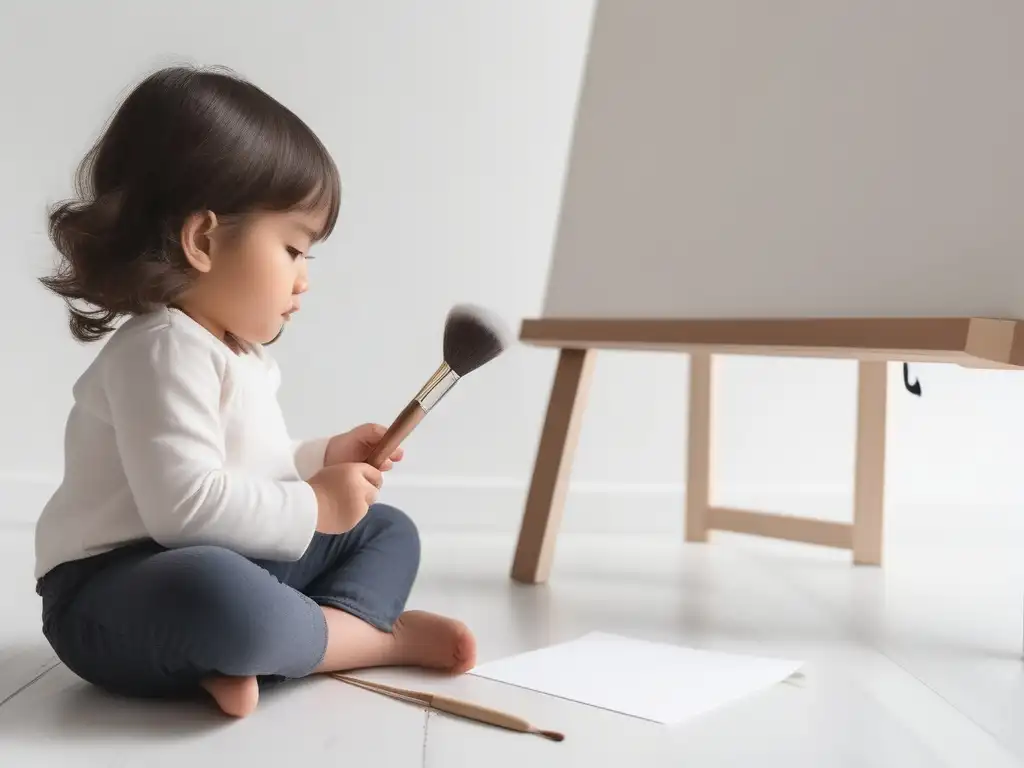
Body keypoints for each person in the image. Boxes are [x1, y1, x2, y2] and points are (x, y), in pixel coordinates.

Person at [32, 65, 476, 718]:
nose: (304, 280)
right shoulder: (160, 350)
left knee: (386, 530)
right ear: (203, 239)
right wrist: (315, 506)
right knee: (215, 593)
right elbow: (183, 512)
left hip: (219, 563)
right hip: (111, 594)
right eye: (295, 249)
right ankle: (360, 640)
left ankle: (249, 654)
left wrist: (321, 457)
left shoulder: (239, 352)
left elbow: (248, 465)